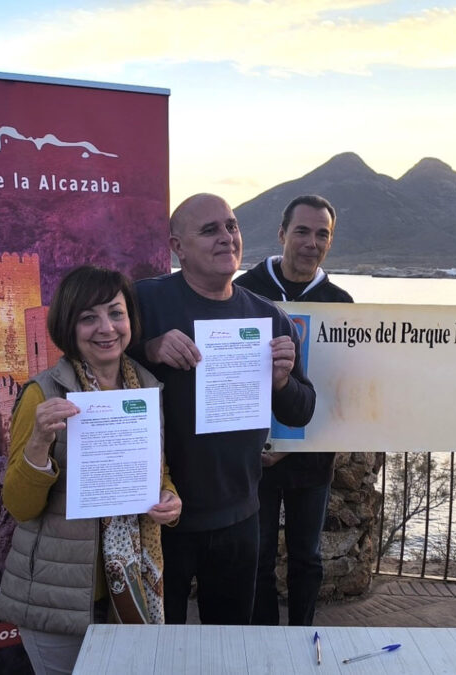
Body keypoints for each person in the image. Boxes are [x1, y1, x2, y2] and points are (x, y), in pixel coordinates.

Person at [131, 193, 316, 625]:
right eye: (210, 230)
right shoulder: (144, 302)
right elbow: (94, 365)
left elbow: (301, 411)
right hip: (158, 515)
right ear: (177, 247)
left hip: (239, 517)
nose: (226, 237)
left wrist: (282, 382)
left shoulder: (268, 318)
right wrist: (148, 348)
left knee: (229, 644)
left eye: (231, 226)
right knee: (158, 644)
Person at [0, 265, 182, 675]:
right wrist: (40, 442)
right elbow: (19, 506)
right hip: (58, 597)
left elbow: (157, 468)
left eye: (116, 313)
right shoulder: (43, 394)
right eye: (89, 317)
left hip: (129, 592)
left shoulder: (146, 387)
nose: (106, 328)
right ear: (68, 325)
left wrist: (169, 497)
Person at [236, 194, 353, 626]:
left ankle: (302, 637)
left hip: (312, 456)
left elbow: (340, 388)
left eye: (322, 234)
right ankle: (267, 643)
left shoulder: (341, 303)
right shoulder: (244, 290)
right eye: (302, 231)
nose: (311, 242)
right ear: (282, 233)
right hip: (253, 456)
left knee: (307, 557)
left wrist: (295, 443)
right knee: (259, 558)